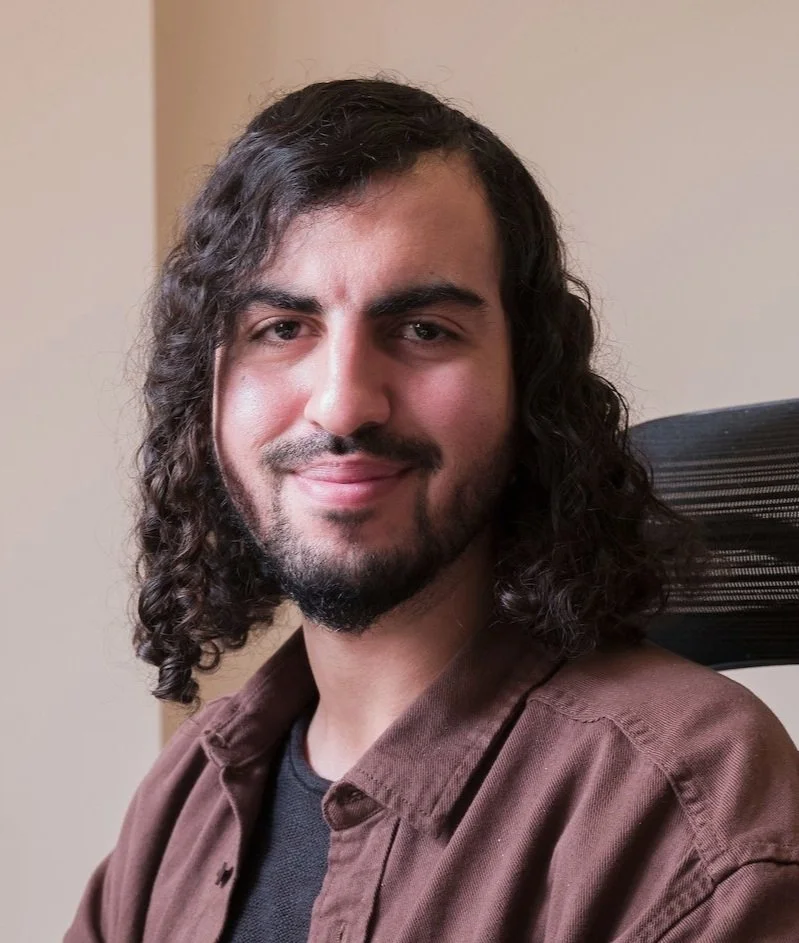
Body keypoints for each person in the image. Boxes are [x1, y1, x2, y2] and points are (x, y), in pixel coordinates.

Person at [65, 78, 799, 942]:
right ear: (211, 392)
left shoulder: (692, 810)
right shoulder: (188, 792)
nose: (342, 406)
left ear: (528, 381)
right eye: (281, 327)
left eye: (422, 329)